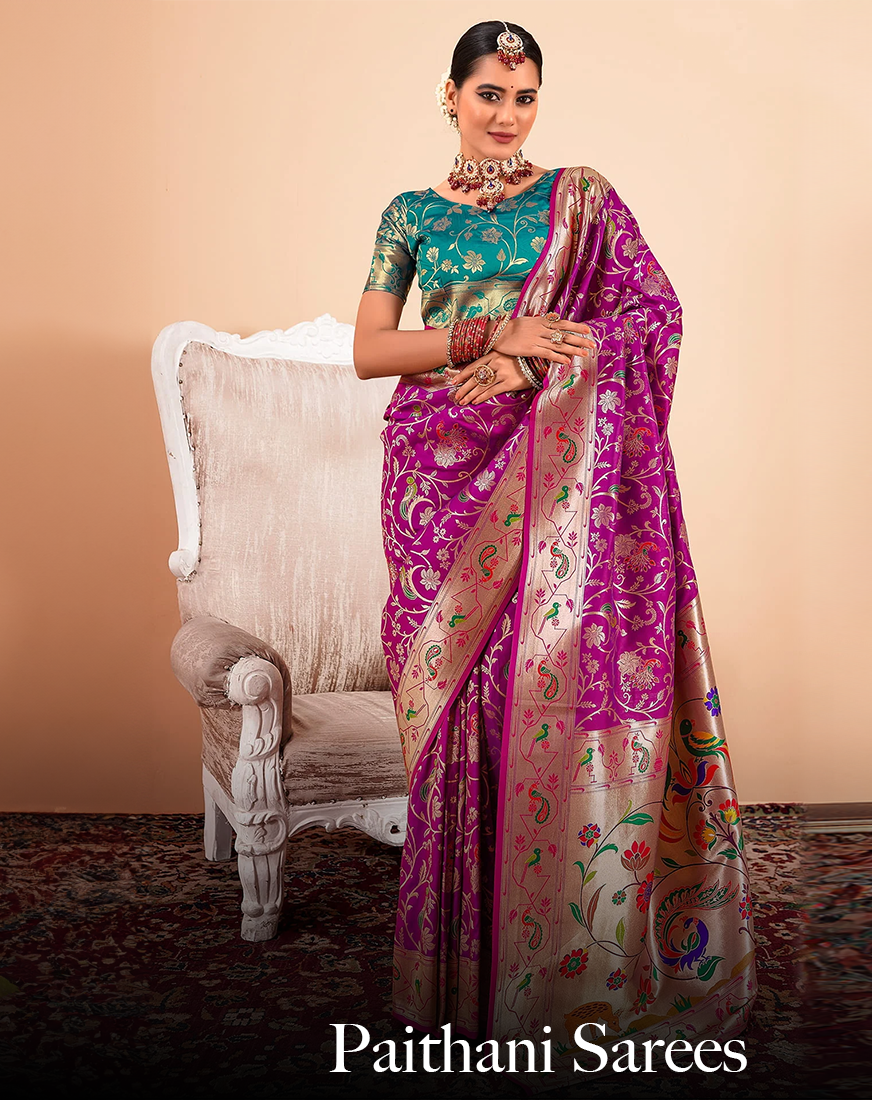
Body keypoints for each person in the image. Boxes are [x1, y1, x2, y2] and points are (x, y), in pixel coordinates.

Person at [353, 19, 756, 1059]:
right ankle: (456, 976)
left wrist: (535, 362)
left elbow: (653, 315)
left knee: (537, 696)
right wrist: (491, 334)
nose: (507, 115)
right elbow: (370, 350)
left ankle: (554, 966)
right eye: (489, 93)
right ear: (449, 95)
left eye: (524, 96)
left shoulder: (580, 199)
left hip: (549, 473)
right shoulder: (408, 214)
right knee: (454, 713)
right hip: (435, 478)